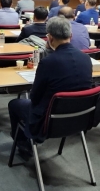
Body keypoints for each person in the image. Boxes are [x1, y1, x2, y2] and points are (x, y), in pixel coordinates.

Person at [8, 17, 92, 146]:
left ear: (49, 38)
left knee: (14, 104)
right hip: (79, 118)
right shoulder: (86, 58)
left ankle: (22, 144)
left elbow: (34, 97)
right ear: (71, 35)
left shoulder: (48, 62)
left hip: (48, 119)